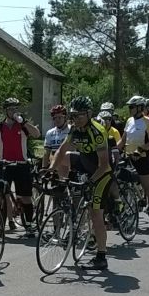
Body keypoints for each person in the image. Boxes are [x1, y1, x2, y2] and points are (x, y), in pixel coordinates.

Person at [51, 95, 112, 270]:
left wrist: (90, 182)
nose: (76, 119)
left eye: (80, 115)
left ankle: (101, 257)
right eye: (73, 115)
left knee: (95, 214)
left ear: (89, 114)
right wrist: (50, 169)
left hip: (101, 173)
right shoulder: (75, 129)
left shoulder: (97, 132)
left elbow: (104, 164)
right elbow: (62, 149)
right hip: (86, 163)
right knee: (63, 157)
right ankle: (64, 187)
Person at [0, 96, 42, 236]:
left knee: (25, 197)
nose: (13, 111)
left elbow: (37, 134)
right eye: (11, 109)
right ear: (5, 111)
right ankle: (0, 225)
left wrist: (24, 122)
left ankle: (29, 225)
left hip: (21, 165)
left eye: (16, 109)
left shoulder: (23, 125)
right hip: (4, 164)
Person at [121, 95, 149, 231]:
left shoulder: (148, 121)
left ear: (140, 108)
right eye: (129, 107)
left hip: (142, 158)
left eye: (132, 107)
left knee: (148, 187)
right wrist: (112, 150)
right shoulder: (129, 121)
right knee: (122, 183)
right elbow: (123, 140)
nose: (130, 109)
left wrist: (139, 150)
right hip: (128, 157)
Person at [42, 104, 71, 169]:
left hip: (70, 168)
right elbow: (46, 153)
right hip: (54, 167)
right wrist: (44, 168)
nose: (57, 120)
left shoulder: (72, 130)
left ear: (65, 117)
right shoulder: (50, 133)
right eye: (55, 118)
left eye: (60, 117)